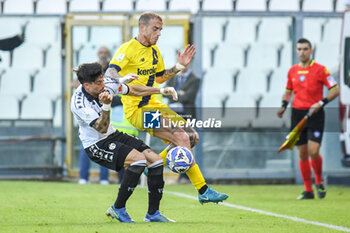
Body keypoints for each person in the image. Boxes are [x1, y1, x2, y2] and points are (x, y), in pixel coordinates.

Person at [105, 11, 228, 204]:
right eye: (155, 29)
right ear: (142, 27)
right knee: (181, 137)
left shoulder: (154, 51)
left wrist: (178, 66)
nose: (159, 33)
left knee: (192, 137)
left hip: (155, 105)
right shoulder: (128, 49)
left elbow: (160, 77)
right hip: (138, 110)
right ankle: (203, 190)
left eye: (161, 30)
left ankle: (152, 162)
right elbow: (111, 71)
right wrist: (120, 81)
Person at [71, 62, 178, 222]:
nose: (103, 84)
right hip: (96, 144)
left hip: (113, 134)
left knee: (156, 161)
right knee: (139, 160)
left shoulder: (104, 85)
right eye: (99, 83)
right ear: (86, 85)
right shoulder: (79, 103)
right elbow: (101, 128)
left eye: (103, 80)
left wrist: (161, 90)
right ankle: (118, 208)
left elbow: (133, 90)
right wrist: (107, 106)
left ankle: (153, 214)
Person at [277, 38, 339, 200]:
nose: (302, 52)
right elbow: (288, 90)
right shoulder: (292, 71)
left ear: (311, 51)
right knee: (302, 153)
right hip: (297, 114)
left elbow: (335, 89)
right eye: (299, 49)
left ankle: (318, 181)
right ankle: (308, 190)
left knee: (313, 151)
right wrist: (284, 105)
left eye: (305, 49)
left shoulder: (321, 70)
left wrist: (322, 102)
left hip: (316, 113)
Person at [78, 46, 112, 185]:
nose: (102, 55)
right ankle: (83, 177)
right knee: (86, 145)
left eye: (105, 53)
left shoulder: (111, 70)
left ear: (108, 55)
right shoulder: (91, 72)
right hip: (89, 113)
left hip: (106, 110)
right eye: (100, 53)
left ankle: (104, 178)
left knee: (105, 144)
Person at [165, 66, 200, 183]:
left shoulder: (195, 79)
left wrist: (175, 94)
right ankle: (178, 173)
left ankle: (185, 177)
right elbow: (165, 93)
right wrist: (180, 94)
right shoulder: (173, 78)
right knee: (175, 142)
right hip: (173, 114)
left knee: (188, 142)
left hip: (186, 115)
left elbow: (189, 96)